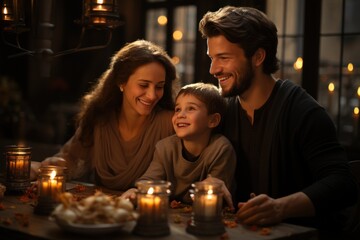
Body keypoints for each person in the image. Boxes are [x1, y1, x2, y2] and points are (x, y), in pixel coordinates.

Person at [198, 5, 359, 235]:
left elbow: (343, 185)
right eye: (212, 58)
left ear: (258, 57)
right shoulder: (223, 111)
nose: (213, 69)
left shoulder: (303, 111)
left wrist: (280, 208)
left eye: (223, 57)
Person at [31, 40, 179, 191]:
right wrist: (40, 168)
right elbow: (71, 158)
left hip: (150, 212)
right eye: (143, 85)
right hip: (103, 210)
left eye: (159, 87)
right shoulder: (99, 120)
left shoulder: (170, 122)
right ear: (121, 82)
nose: (152, 95)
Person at [121, 82, 236, 204]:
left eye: (191, 108)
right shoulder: (165, 147)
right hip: (174, 214)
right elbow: (150, 180)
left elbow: (216, 192)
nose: (181, 115)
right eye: (178, 109)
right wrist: (137, 191)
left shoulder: (220, 148)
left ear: (213, 120)